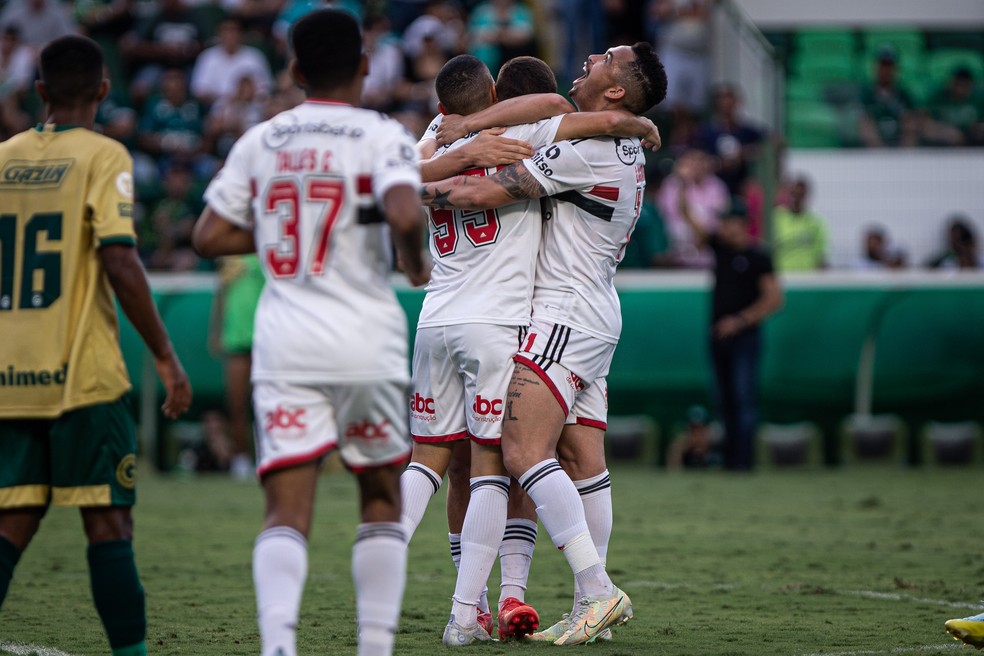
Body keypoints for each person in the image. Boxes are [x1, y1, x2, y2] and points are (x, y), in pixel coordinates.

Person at [191, 9, 430, 656]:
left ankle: (278, 647)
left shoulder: (261, 139)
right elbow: (406, 210)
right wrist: (415, 261)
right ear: (365, 65)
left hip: (286, 343)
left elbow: (207, 236)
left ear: (293, 71)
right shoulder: (384, 134)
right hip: (367, 343)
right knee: (380, 497)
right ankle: (374, 648)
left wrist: (274, 235)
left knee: (285, 511)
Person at [405, 53, 662, 644]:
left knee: (512, 454)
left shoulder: (575, 148)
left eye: (608, 59)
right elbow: (558, 110)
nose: (592, 58)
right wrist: (637, 125)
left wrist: (438, 168)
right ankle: (576, 605)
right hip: (580, 311)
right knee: (580, 459)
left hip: (557, 314)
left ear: (617, 90)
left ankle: (591, 590)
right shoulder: (599, 139)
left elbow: (489, 182)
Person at [0, 34, 192, 656]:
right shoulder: (104, 156)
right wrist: (164, 354)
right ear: (104, 91)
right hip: (80, 375)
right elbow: (119, 257)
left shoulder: (3, 158)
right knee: (108, 522)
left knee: (11, 522)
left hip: (8, 375)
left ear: (40, 93)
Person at [680, 200, 784, 471]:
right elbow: (691, 220)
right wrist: (682, 186)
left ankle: (744, 462)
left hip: (744, 340)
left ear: (742, 226)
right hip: (718, 339)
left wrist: (739, 322)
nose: (723, 228)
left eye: (728, 223)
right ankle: (729, 460)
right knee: (724, 401)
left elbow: (774, 299)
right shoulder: (722, 250)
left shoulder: (758, 257)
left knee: (743, 398)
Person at [656, 148, 728, 268]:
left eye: (700, 160)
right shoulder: (671, 184)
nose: (696, 165)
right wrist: (683, 183)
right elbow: (668, 217)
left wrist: (705, 237)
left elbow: (719, 221)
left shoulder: (717, 186)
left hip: (708, 256)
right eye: (691, 161)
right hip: (677, 256)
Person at [858, 45, 919, 148]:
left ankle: (905, 160)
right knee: (865, 123)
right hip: (873, 151)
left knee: (912, 122)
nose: (886, 70)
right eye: (883, 65)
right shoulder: (865, 94)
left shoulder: (904, 95)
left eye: (889, 66)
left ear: (896, 69)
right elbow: (862, 122)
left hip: (899, 145)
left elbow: (912, 122)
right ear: (875, 67)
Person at [771, 175, 829, 272]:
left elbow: (820, 256)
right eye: (794, 194)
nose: (797, 199)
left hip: (806, 279)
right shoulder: (776, 217)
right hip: (781, 276)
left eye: (800, 195)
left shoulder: (815, 223)